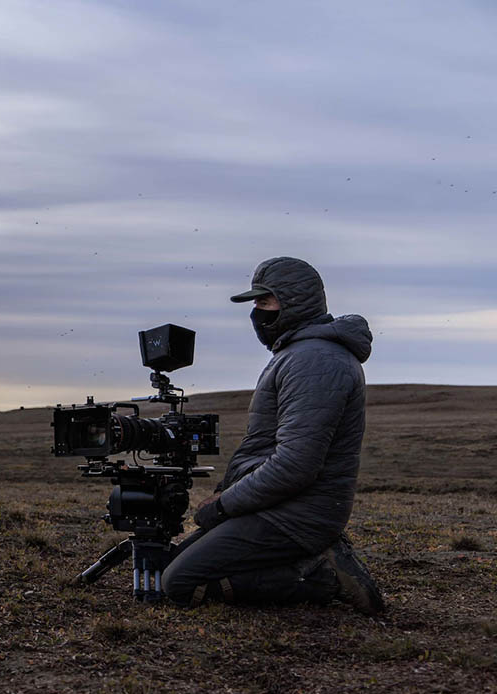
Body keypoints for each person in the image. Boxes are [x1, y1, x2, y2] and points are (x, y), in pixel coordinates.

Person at [160, 256, 385, 614]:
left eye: (265, 302)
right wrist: (229, 497)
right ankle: (302, 557)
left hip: (298, 513)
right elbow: (268, 447)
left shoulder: (315, 360)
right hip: (278, 505)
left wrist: (224, 506)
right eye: (255, 304)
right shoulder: (297, 353)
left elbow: (296, 464)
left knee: (179, 583)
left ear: (294, 302)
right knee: (171, 567)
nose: (257, 313)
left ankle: (321, 573)